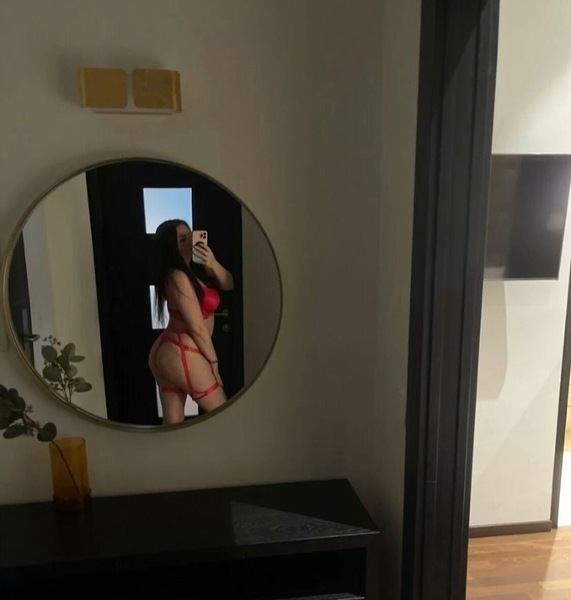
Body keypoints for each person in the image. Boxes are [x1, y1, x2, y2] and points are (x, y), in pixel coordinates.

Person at [148, 219, 234, 424]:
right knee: (224, 416)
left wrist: (212, 263)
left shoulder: (193, 271)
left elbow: (228, 283)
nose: (190, 241)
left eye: (190, 235)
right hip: (184, 351)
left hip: (172, 351)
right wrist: (213, 362)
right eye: (182, 239)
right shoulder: (177, 276)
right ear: (171, 247)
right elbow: (196, 327)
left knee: (173, 423)